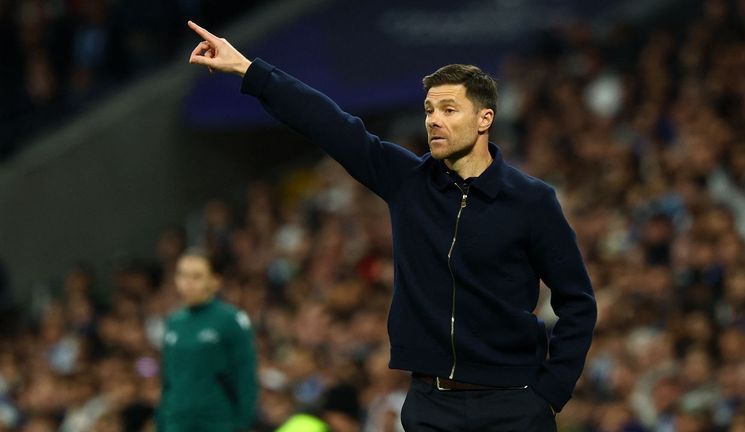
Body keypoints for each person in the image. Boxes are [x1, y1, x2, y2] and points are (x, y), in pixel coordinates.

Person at [186, 20, 597, 431]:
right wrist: (249, 70)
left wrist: (551, 391)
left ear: (484, 119)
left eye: (449, 110)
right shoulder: (408, 181)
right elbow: (330, 124)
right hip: (430, 404)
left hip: (514, 403)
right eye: (429, 111)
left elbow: (577, 301)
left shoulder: (531, 200)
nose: (434, 120)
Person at [157, 247, 257, 432]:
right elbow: (168, 380)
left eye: (197, 276)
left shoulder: (230, 319)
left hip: (217, 422)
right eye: (182, 275)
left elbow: (244, 374)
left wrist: (243, 422)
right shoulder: (174, 322)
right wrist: (162, 421)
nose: (188, 283)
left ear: (215, 281)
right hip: (177, 422)